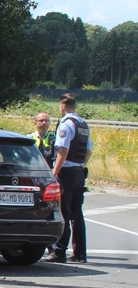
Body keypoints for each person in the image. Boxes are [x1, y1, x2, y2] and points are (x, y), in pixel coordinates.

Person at [46, 94, 91, 263]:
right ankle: (80, 253)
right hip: (79, 172)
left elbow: (62, 151)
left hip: (67, 173)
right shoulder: (83, 124)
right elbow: (88, 151)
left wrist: (54, 173)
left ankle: (59, 251)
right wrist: (80, 166)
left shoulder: (66, 124)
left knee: (62, 211)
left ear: (62, 106)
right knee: (77, 214)